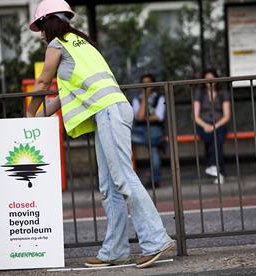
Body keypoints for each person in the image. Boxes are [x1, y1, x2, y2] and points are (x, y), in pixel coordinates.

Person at [26, 0, 174, 268]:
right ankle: (114, 251)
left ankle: (155, 240)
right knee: (110, 186)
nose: (40, 33)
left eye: (40, 27)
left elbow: (42, 82)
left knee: (123, 179)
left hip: (109, 113)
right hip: (111, 112)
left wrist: (28, 114)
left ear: (49, 22)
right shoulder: (81, 44)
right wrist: (39, 117)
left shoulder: (57, 45)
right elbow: (63, 93)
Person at [193, 69, 231, 185]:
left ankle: (213, 166)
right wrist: (205, 125)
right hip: (203, 125)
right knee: (216, 139)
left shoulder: (223, 93)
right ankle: (220, 172)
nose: (209, 81)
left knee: (217, 136)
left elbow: (227, 115)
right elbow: (195, 116)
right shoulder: (199, 93)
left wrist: (214, 126)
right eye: (207, 78)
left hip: (219, 124)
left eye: (212, 78)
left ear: (216, 79)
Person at [131, 74, 165, 189]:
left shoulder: (160, 98)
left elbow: (159, 117)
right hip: (140, 131)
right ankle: (157, 142)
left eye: (149, 82)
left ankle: (155, 180)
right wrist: (145, 98)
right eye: (144, 83)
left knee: (154, 149)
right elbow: (138, 117)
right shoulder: (137, 99)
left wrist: (146, 118)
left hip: (154, 129)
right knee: (127, 136)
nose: (146, 85)